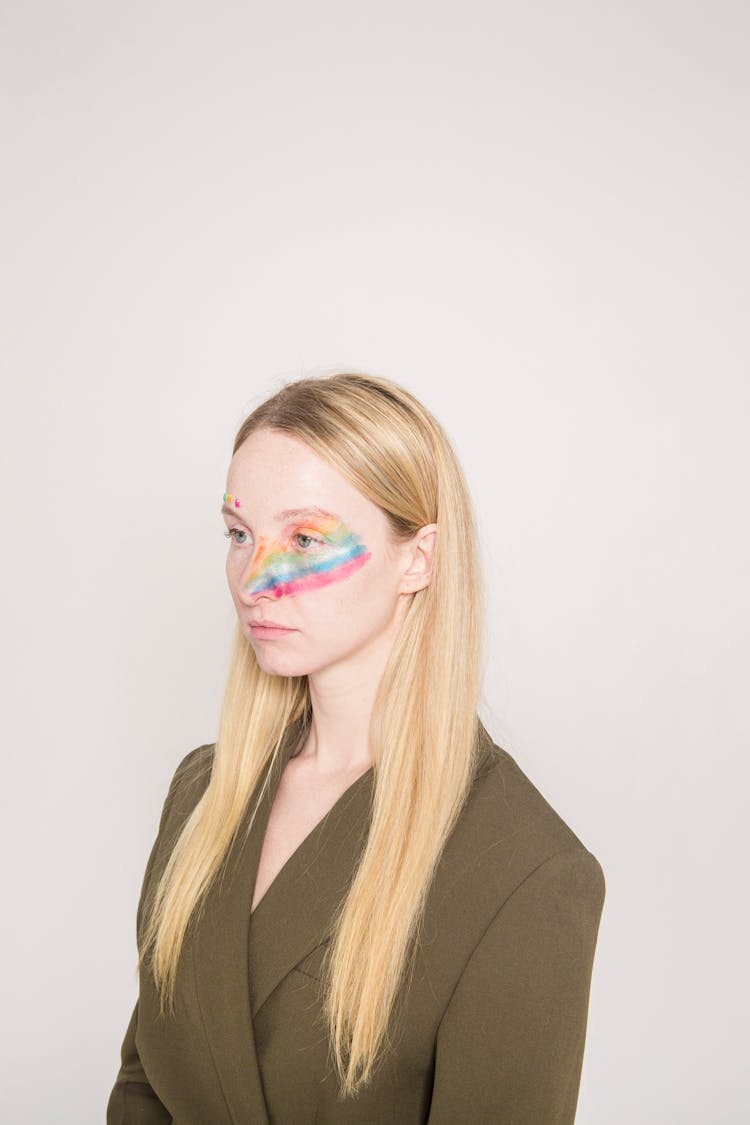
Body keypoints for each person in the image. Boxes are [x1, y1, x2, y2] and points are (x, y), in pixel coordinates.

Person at [106, 371, 605, 1124]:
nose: (255, 578)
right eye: (239, 533)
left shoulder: (528, 871)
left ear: (418, 559)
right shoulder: (201, 794)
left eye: (305, 538)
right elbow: (144, 1086)